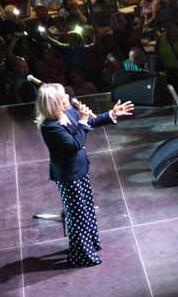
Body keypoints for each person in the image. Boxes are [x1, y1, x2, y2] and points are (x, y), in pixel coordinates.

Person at [35, 82, 134, 266]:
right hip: (69, 176)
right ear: (55, 103)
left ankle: (90, 244)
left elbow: (88, 122)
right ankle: (81, 257)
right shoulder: (50, 127)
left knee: (86, 210)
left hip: (79, 169)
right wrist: (81, 120)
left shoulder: (68, 111)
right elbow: (75, 144)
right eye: (63, 96)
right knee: (77, 217)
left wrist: (111, 114)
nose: (68, 96)